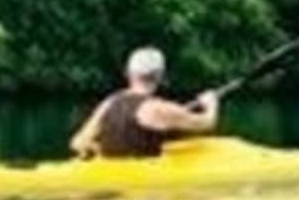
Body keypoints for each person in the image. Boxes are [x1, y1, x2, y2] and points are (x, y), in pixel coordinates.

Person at [69, 47, 221, 159]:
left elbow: (78, 143)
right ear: (160, 76)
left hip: (108, 174)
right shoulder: (159, 108)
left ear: (128, 73)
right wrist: (210, 103)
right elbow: (207, 123)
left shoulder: (110, 102)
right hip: (140, 188)